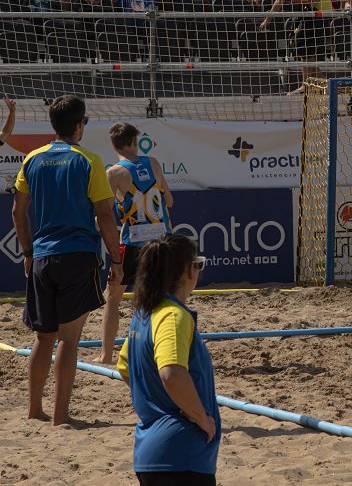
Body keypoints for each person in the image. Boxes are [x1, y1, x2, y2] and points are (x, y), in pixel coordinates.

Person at [12, 95, 121, 426]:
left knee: (42, 339)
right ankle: (61, 416)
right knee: (69, 340)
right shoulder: (89, 160)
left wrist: (28, 252)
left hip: (43, 257)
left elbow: (18, 212)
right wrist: (116, 259)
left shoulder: (32, 158)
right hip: (77, 255)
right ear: (79, 125)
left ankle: (34, 411)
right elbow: (104, 215)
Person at [116, 234, 221, 485]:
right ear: (187, 270)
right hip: (180, 455)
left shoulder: (145, 314)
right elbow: (171, 374)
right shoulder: (173, 316)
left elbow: (124, 367)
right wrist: (202, 419)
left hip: (151, 452)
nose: (199, 271)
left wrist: (155, 399)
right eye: (198, 264)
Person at [97, 122, 174, 365]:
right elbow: (169, 201)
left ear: (114, 145)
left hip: (133, 240)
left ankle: (106, 355)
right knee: (160, 296)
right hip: (161, 237)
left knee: (113, 297)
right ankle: (162, 351)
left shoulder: (114, 173)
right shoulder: (153, 163)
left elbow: (105, 216)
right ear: (134, 142)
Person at [261, 0, 333, 90]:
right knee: (302, 51)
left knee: (307, 53)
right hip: (307, 12)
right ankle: (324, 85)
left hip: (320, 12)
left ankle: (307, 86)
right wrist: (267, 20)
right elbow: (279, 0)